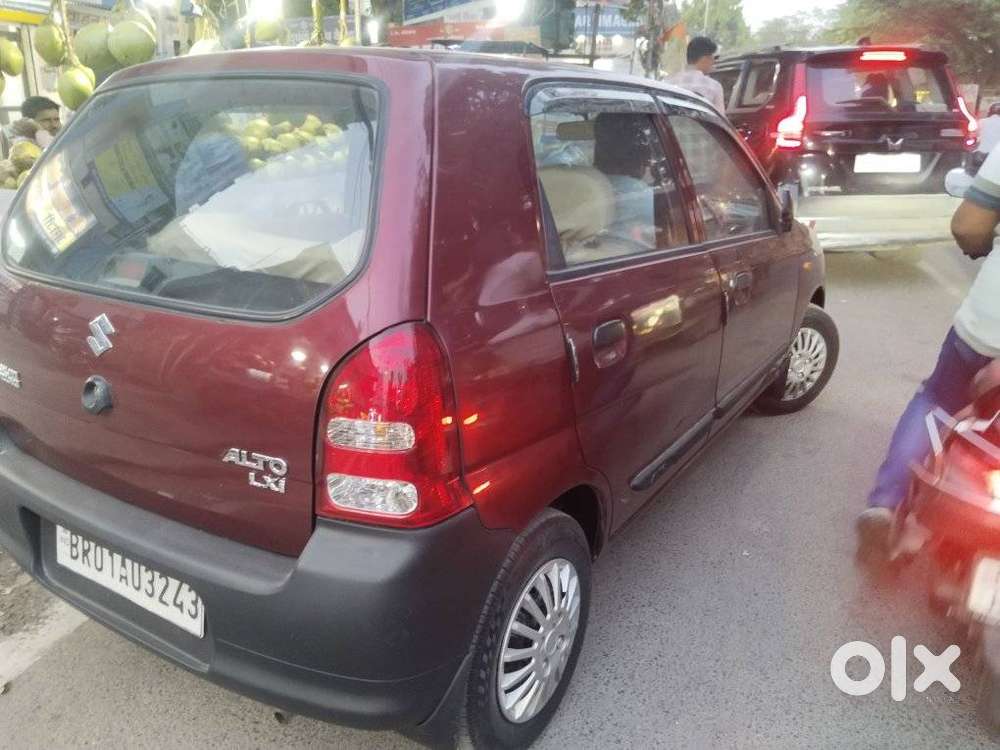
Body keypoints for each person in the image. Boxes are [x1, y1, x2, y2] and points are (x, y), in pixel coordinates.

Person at [858, 141, 1000, 550]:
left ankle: (886, 503)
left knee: (937, 401)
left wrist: (982, 248)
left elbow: (969, 225)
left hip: (989, 328)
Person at [667, 36, 726, 114]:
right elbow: (719, 120)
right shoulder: (714, 87)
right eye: (714, 58)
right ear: (705, 59)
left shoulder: (667, 82)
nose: (713, 62)